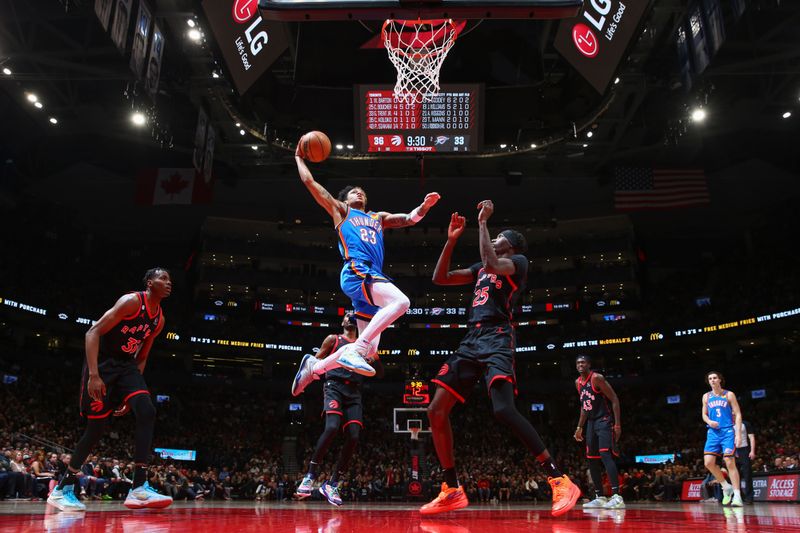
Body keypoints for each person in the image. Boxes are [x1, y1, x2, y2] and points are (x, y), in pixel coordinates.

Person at [421, 201, 581, 517]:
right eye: (492, 236)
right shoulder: (480, 268)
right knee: (435, 409)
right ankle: (451, 488)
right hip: (471, 339)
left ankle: (558, 478)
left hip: (497, 336)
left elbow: (493, 263)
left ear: (510, 243)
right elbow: (440, 278)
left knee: (504, 409)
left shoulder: (517, 262)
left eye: (499, 237)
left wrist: (482, 223)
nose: (494, 239)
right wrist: (451, 240)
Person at [291, 146, 439, 395]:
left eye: (361, 190)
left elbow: (407, 219)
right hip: (357, 270)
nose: (358, 191)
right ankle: (356, 348)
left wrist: (423, 208)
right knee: (402, 303)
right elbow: (310, 182)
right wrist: (298, 157)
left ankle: (314, 369)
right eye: (352, 191)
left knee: (371, 352)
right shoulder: (341, 210)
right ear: (346, 199)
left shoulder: (377, 217)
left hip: (370, 277)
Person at [47, 268, 174, 512]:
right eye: (163, 279)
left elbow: (143, 356)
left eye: (170, 280)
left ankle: (138, 488)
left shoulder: (159, 319)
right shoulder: (131, 302)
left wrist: (132, 394)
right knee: (96, 429)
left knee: (146, 410)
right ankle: (63, 487)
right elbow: (92, 332)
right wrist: (94, 375)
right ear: (149, 282)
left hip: (127, 367)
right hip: (103, 365)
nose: (169, 284)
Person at [294, 313, 384, 506]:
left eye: (353, 314)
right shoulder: (333, 339)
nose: (350, 316)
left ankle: (332, 484)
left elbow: (381, 373)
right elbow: (314, 366)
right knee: (332, 427)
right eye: (347, 315)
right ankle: (310, 476)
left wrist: (375, 358)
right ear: (343, 322)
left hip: (354, 392)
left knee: (353, 436)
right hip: (333, 386)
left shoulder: (365, 345)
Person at [573, 354, 624, 509]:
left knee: (605, 455)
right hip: (591, 423)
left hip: (604, 420)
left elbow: (614, 399)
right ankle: (600, 496)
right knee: (591, 459)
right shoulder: (578, 383)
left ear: (589, 364)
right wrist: (579, 427)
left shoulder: (597, 378)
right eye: (578, 363)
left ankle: (617, 496)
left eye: (583, 362)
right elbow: (584, 406)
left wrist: (617, 425)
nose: (580, 365)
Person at [702, 370, 743, 507]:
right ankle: (726, 486)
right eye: (710, 378)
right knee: (708, 463)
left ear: (720, 380)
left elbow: (737, 414)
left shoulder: (729, 394)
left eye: (715, 378)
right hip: (713, 432)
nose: (712, 380)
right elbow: (704, 415)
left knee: (729, 461)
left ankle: (737, 495)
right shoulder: (706, 397)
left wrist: (737, 434)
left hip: (727, 431)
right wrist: (709, 421)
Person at [735, 419, 756, 504]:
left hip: (744, 450)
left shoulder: (745, 424)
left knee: (747, 474)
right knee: (735, 476)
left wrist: (752, 451)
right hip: (734, 451)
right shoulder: (728, 424)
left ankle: (749, 497)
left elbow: (752, 438)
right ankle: (738, 497)